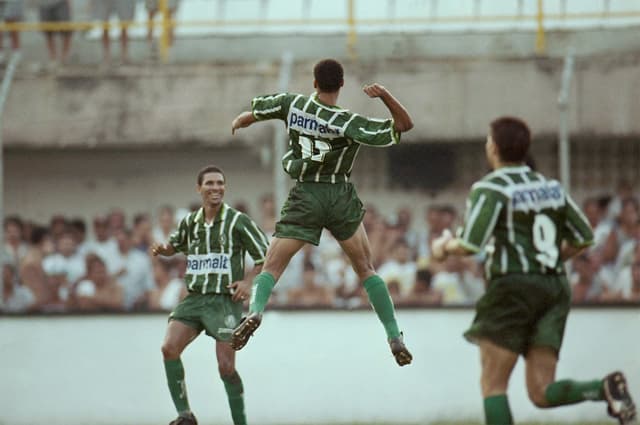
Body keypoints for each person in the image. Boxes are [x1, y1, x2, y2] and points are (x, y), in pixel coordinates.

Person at [430, 116, 636, 425]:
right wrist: (550, 259)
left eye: (489, 140)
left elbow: (471, 244)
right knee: (541, 391)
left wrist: (443, 247)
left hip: (512, 288)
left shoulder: (490, 187)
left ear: (495, 148)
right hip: (554, 288)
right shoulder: (551, 187)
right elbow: (584, 237)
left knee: (493, 384)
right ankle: (602, 388)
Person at [230, 58, 414, 366]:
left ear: (314, 83)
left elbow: (261, 110)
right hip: (339, 195)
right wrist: (384, 95)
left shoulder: (294, 104)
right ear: (341, 85)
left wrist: (244, 119)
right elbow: (403, 125)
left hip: (307, 194)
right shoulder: (348, 122)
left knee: (272, 267)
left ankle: (256, 311)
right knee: (366, 268)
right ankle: (394, 335)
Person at [151, 165, 269, 425]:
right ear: (199, 188)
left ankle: (241, 422)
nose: (216, 188)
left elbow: (265, 256)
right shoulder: (190, 222)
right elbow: (176, 244)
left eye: (220, 183)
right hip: (194, 298)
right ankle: (185, 415)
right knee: (168, 347)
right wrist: (164, 249)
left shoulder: (238, 221)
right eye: (210, 183)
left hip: (224, 300)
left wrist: (249, 282)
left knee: (226, 368)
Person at [38, 0, 73, 66]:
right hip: (44, 4)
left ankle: (64, 58)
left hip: (61, 2)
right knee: (48, 32)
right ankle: (53, 58)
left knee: (67, 31)